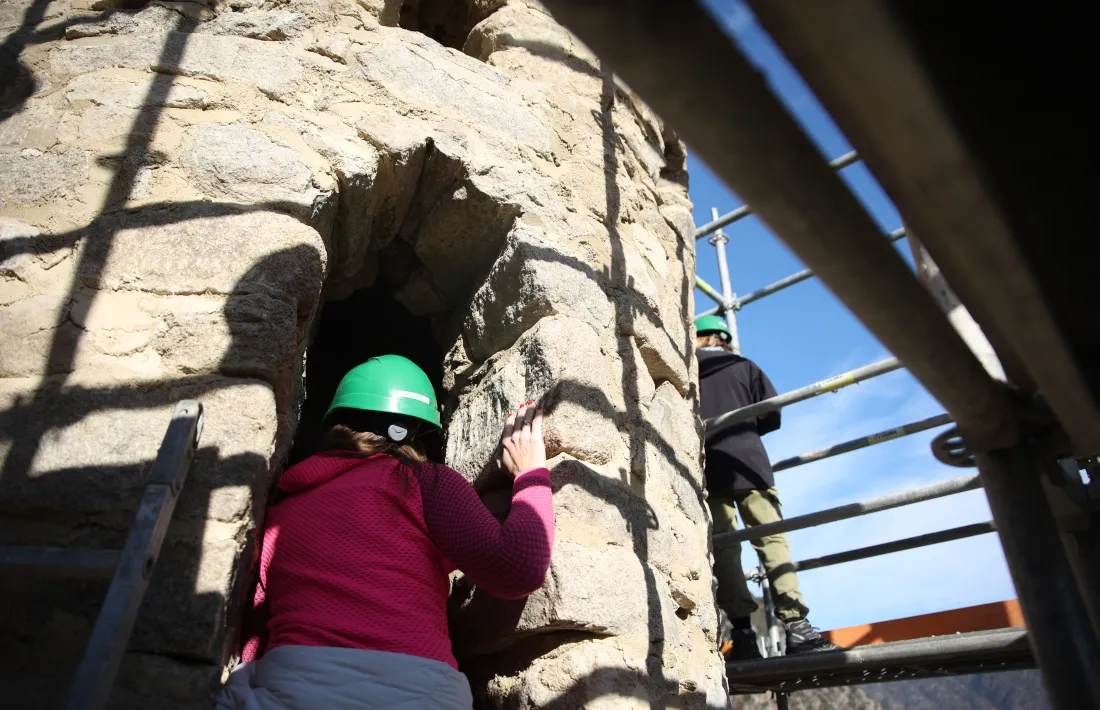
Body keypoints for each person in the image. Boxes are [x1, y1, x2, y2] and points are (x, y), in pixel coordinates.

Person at [215, 354, 554, 709]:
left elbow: (254, 638)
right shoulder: (425, 483)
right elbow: (518, 570)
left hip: (292, 688)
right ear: (409, 432)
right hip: (415, 692)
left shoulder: (282, 509)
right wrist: (530, 471)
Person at [694, 315, 837, 660]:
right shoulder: (744, 367)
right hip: (750, 465)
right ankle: (796, 626)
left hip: (708, 468)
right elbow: (771, 416)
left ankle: (743, 634)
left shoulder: (687, 371)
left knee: (725, 549)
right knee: (771, 541)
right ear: (722, 338)